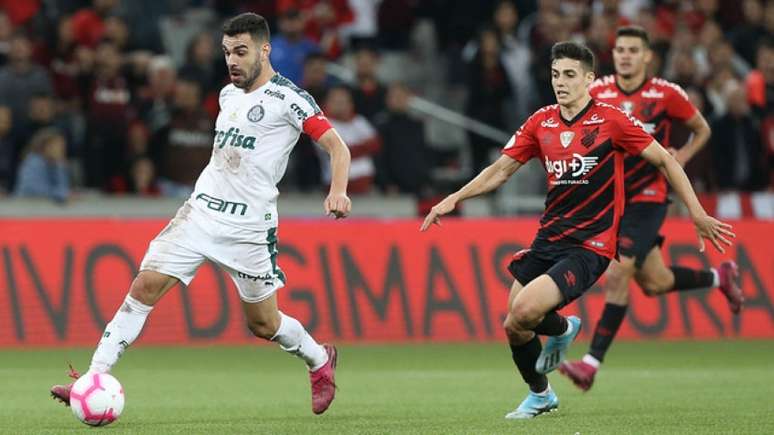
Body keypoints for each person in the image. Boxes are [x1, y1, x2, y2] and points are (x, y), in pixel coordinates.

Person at [51, 13, 352, 415]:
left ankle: (319, 360)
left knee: (264, 324)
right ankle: (92, 380)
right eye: (227, 52)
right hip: (200, 213)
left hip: (248, 228)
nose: (232, 61)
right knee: (144, 286)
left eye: (241, 52)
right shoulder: (228, 95)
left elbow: (337, 147)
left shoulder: (290, 99)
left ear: (265, 50)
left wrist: (338, 191)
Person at [420, 41, 734, 420]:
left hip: (591, 244)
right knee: (515, 326)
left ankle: (563, 333)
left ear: (588, 79)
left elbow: (665, 160)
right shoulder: (541, 122)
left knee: (524, 309)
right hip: (548, 237)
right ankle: (542, 392)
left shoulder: (612, 120)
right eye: (555, 75)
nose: (561, 82)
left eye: (569, 75)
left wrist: (696, 212)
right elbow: (501, 170)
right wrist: (454, 197)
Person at [559, 26, 745, 392]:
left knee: (618, 273)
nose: (625, 55)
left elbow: (701, 128)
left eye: (633, 50)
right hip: (612, 200)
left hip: (648, 197)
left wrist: (683, 155)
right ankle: (718, 278)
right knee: (655, 283)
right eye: (620, 50)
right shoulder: (598, 91)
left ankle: (591, 364)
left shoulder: (666, 94)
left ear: (647, 57)